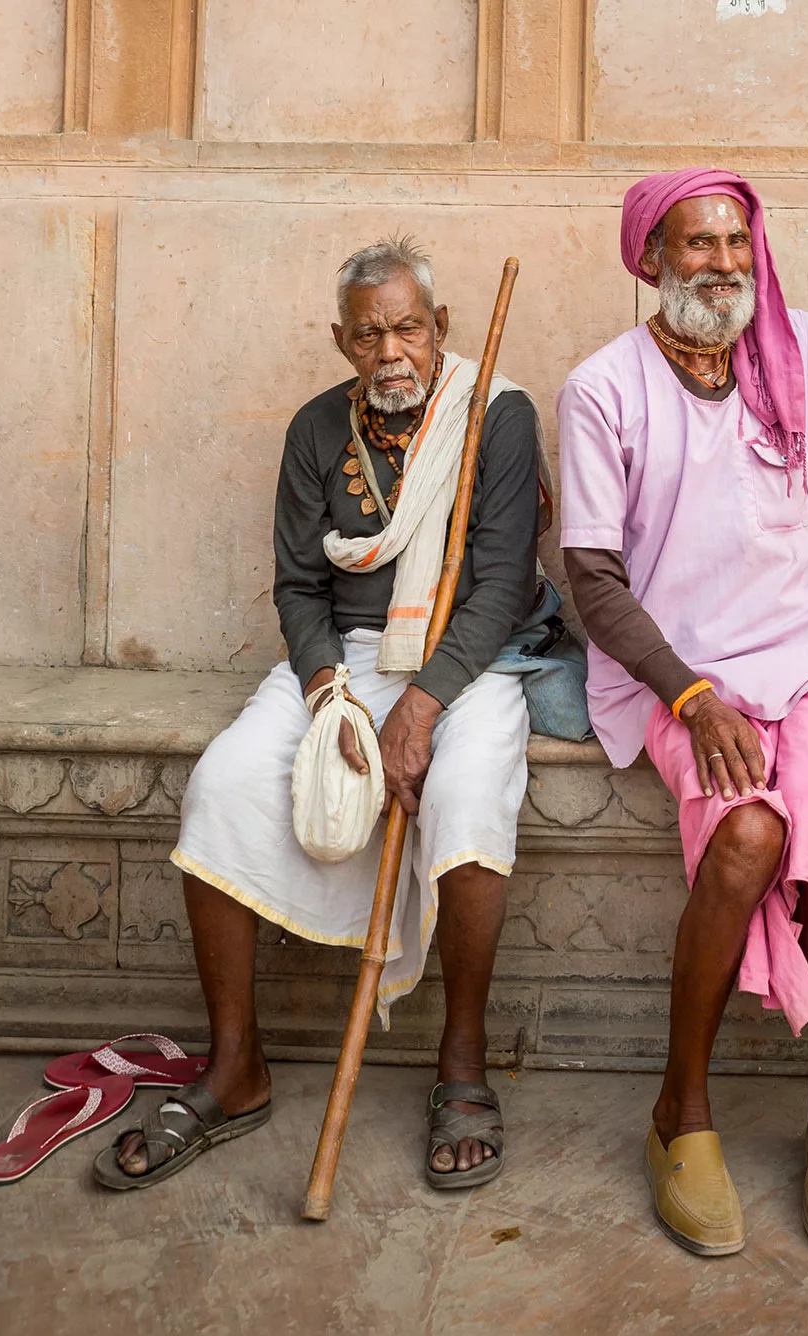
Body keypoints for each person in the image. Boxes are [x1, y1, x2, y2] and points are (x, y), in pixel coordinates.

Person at [556, 165, 808, 1255]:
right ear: (650, 259)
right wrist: (691, 697)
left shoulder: (785, 348)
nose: (724, 263)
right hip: (682, 676)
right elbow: (592, 577)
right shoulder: (604, 386)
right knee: (747, 833)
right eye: (697, 245)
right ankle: (676, 1110)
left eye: (737, 242)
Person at [95, 237, 544, 1192]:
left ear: (442, 330)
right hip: (340, 664)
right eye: (371, 333)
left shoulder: (496, 415)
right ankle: (237, 1067)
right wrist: (324, 692)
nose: (393, 352)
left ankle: (460, 1063)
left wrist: (420, 709)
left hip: (465, 665)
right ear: (343, 342)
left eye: (410, 329)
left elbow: (502, 584)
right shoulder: (314, 431)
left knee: (465, 802)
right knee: (221, 785)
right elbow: (299, 588)